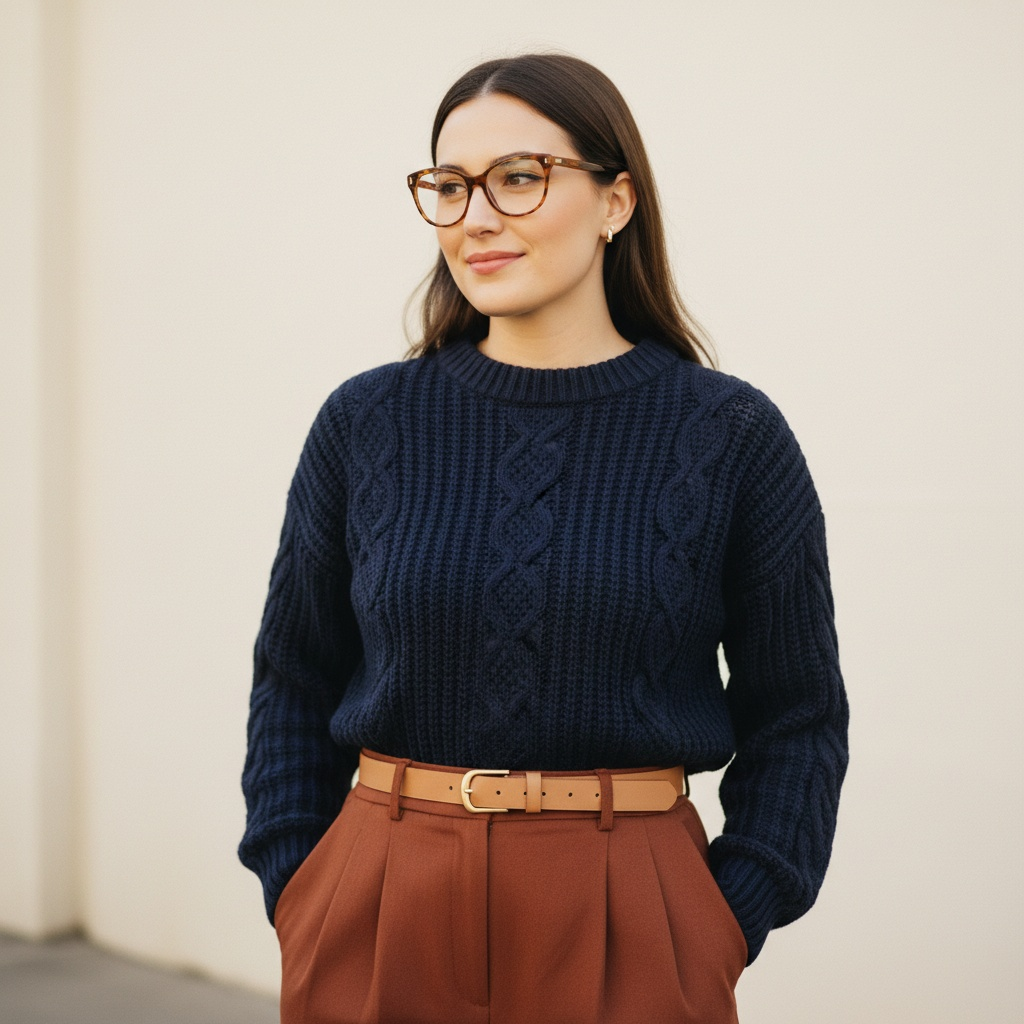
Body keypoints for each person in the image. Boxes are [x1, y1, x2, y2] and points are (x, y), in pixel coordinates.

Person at [239, 53, 849, 1024]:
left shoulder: (728, 435)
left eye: (518, 178)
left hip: (633, 909)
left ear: (616, 201)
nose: (476, 216)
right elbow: (293, 676)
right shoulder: (367, 422)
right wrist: (300, 885)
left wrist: (720, 918)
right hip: (379, 895)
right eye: (448, 186)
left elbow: (799, 714)